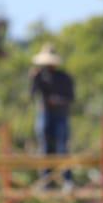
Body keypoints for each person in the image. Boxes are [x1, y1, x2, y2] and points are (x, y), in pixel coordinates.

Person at [29, 45, 75, 185]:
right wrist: (34, 79)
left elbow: (71, 98)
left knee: (62, 147)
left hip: (61, 115)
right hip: (45, 115)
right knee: (44, 147)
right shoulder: (40, 77)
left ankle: (67, 180)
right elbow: (32, 94)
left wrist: (57, 101)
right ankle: (46, 180)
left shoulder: (64, 77)